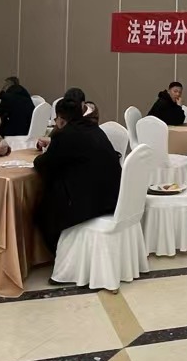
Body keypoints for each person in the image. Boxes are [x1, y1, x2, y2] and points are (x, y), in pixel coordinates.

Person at [34, 97, 122, 254]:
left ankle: (62, 257)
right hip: (114, 198)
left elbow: (43, 164)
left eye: (56, 118)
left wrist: (51, 147)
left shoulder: (66, 135)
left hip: (92, 204)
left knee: (43, 212)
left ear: (61, 119)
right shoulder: (94, 129)